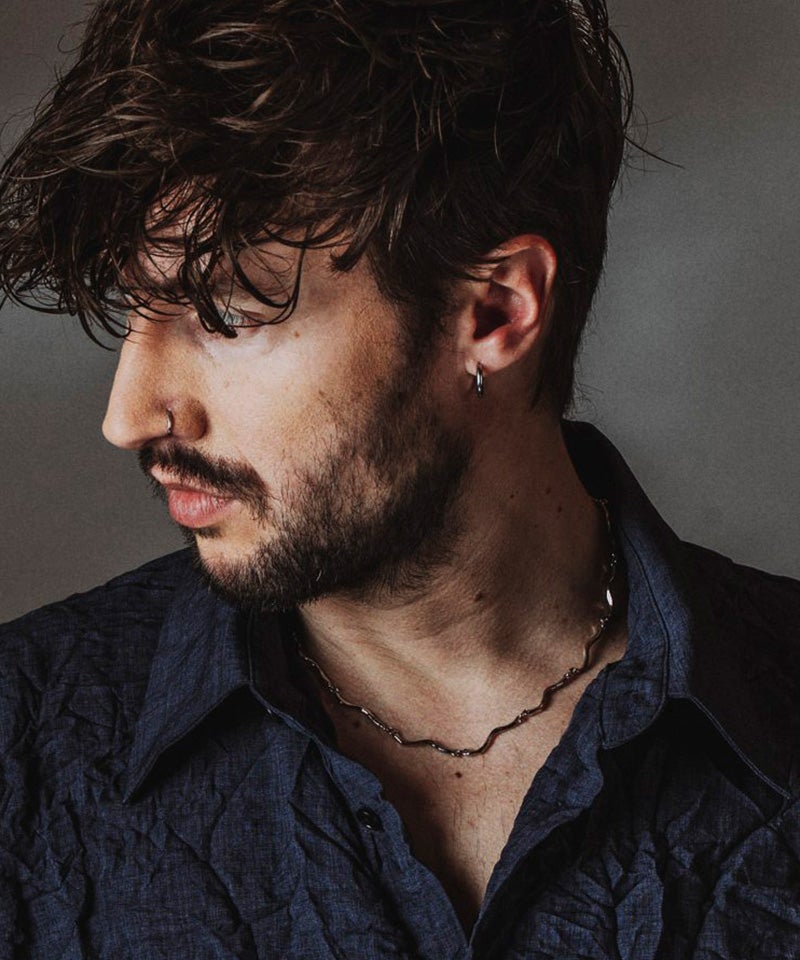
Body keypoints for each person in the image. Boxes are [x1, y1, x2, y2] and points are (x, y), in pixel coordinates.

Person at [0, 0, 798, 956]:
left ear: (495, 313)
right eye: (132, 306)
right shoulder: (24, 743)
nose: (128, 416)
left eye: (224, 315)